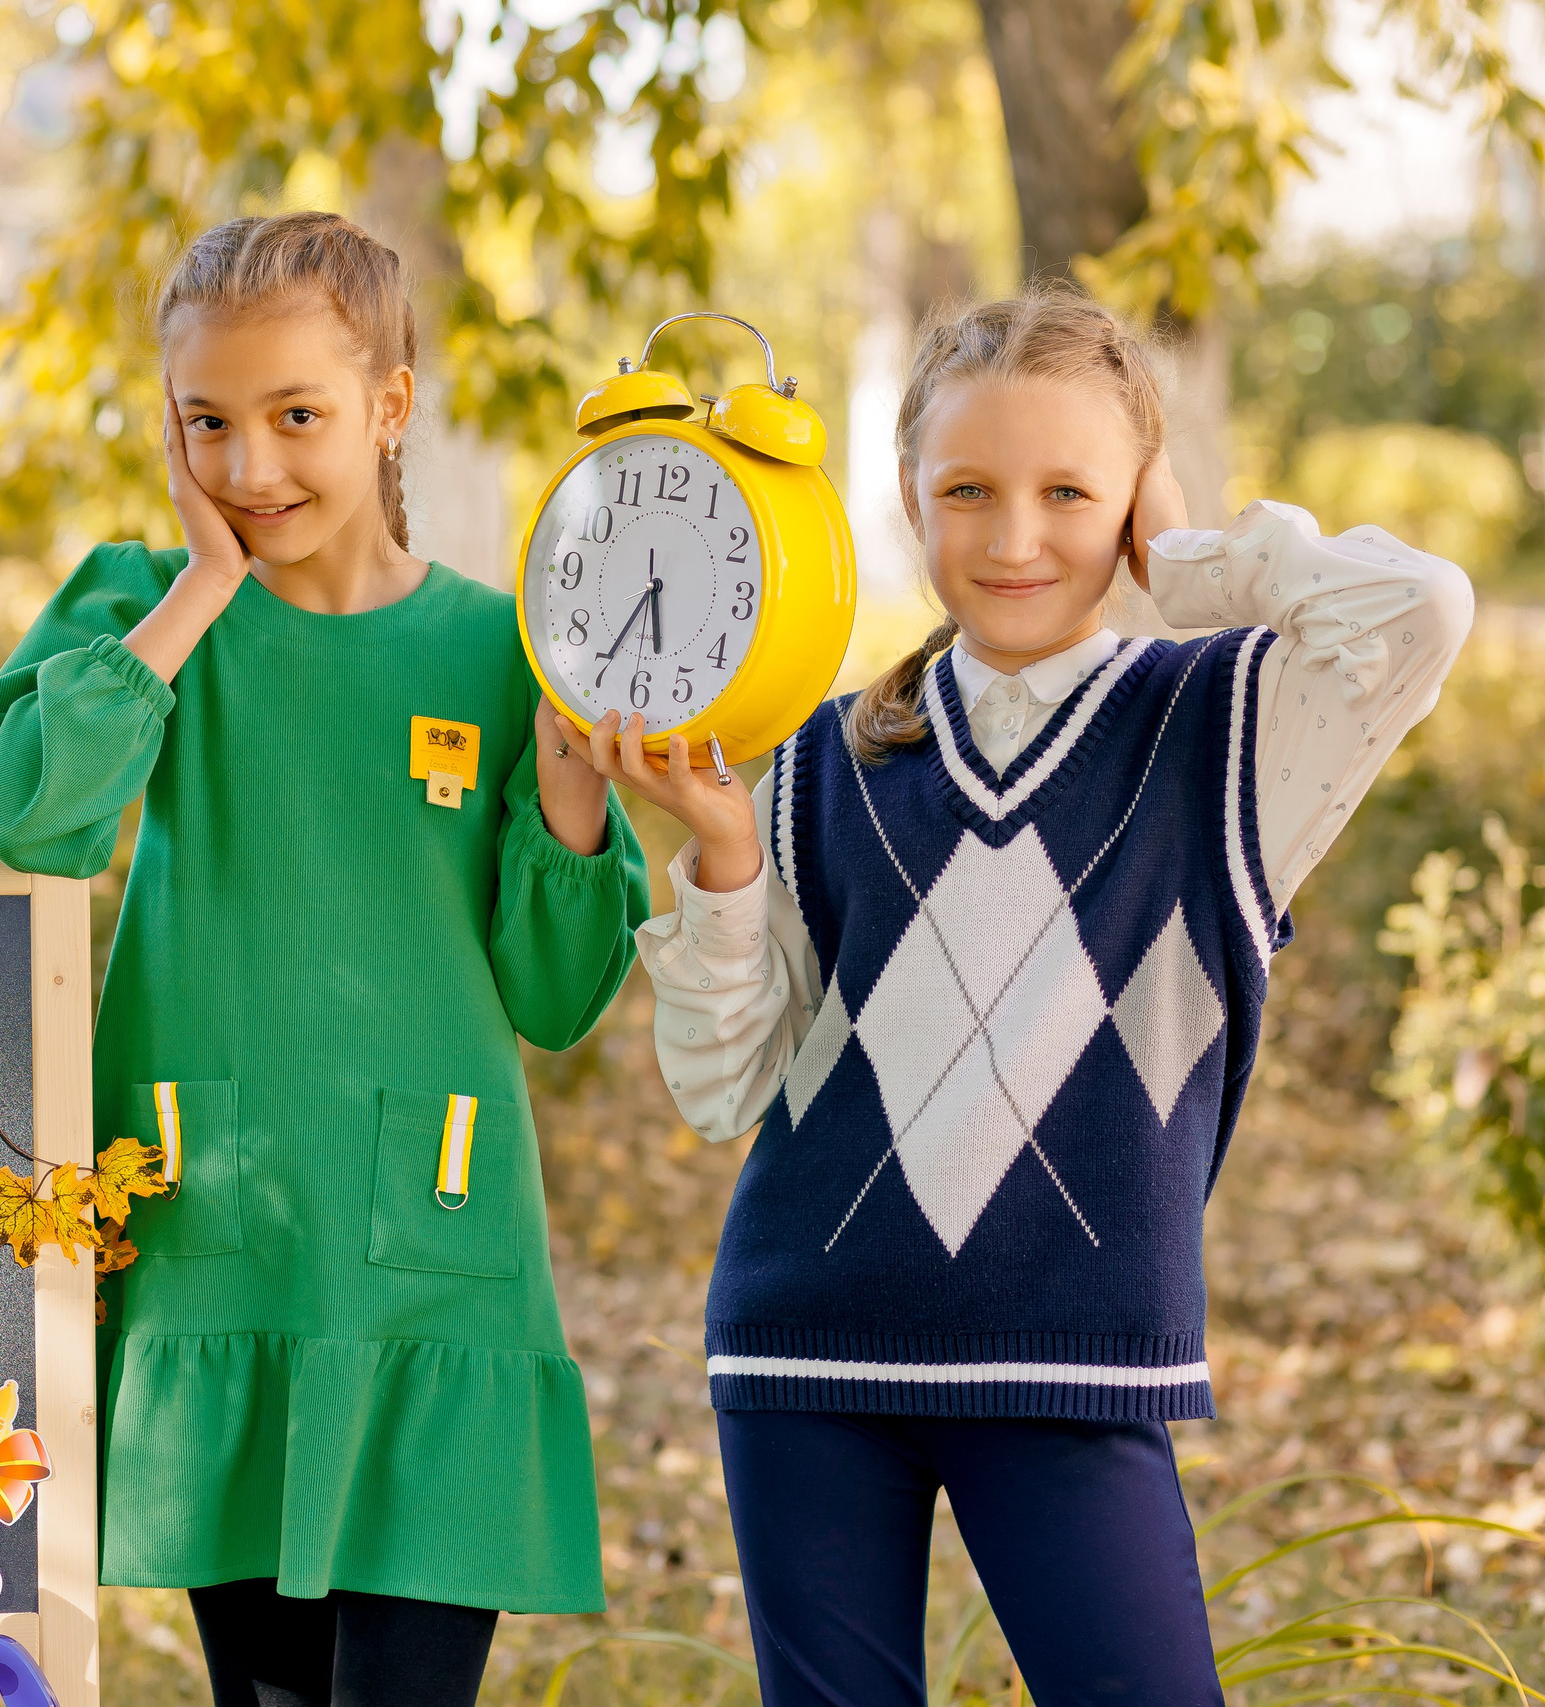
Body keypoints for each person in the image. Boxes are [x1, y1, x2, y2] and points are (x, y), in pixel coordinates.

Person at [579, 285, 1473, 1705]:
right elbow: (722, 1088)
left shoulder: (1227, 728)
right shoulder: (817, 762)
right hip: (804, 1350)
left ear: (1136, 499)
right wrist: (727, 861)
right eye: (969, 490)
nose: (1013, 537)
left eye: (1070, 491)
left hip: (1078, 1368)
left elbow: (1423, 608)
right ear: (911, 502)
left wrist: (1191, 562)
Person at [0, 211, 648, 1707]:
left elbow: (556, 995)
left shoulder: (509, 649)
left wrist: (575, 790)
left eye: (299, 417)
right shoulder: (146, 612)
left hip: (436, 1277)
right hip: (222, 1251)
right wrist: (199, 590)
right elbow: (27, 814)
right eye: (210, 424)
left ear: (392, 406)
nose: (252, 470)